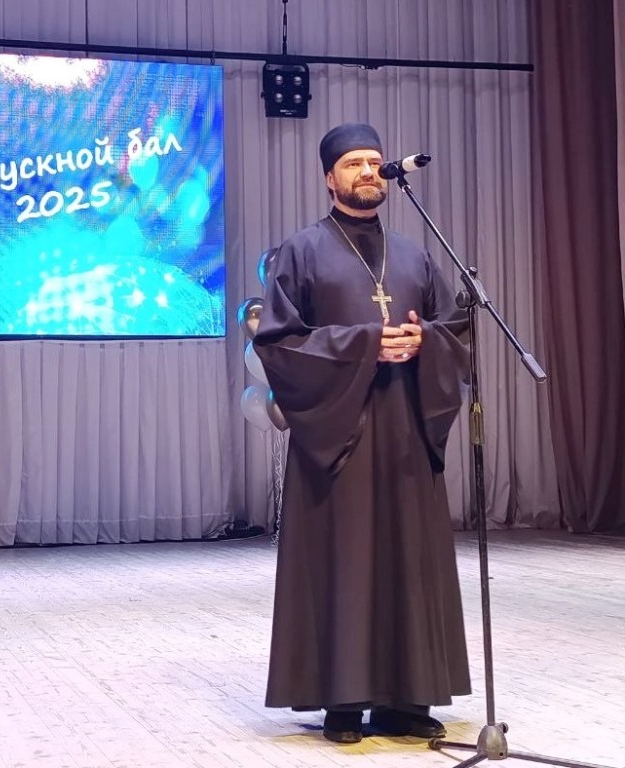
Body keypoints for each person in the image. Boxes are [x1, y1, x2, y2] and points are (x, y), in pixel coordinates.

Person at [253, 122, 471, 745]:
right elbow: (279, 343)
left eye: (375, 162)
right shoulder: (301, 252)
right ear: (330, 177)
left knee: (408, 559)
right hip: (338, 435)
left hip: (405, 429)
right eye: (353, 163)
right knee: (345, 562)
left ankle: (406, 698)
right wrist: (366, 344)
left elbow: (454, 327)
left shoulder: (415, 255)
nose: (369, 172)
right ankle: (343, 701)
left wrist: (425, 341)